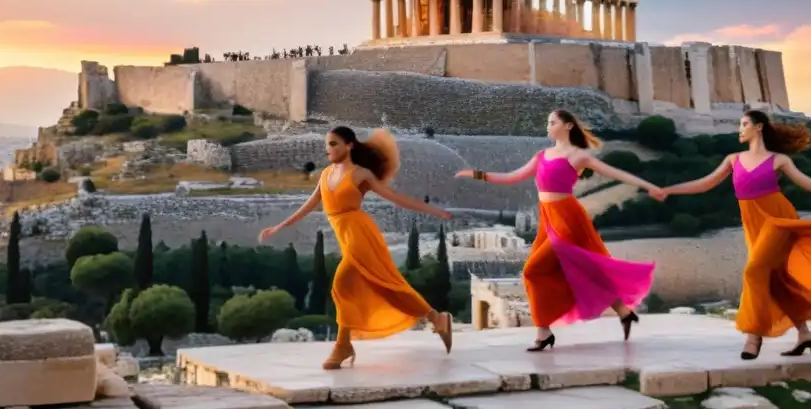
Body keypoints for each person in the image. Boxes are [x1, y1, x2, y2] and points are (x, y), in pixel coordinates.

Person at [656, 110, 811, 360]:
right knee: (777, 282)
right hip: (754, 225)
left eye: (744, 124)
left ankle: (753, 336)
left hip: (779, 222)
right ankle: (805, 335)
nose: (740, 129)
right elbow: (705, 183)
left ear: (759, 127)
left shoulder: (779, 160)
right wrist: (670, 190)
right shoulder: (733, 159)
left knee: (754, 272)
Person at [455, 109, 662, 351]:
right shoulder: (542, 155)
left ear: (568, 126)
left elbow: (618, 174)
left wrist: (650, 187)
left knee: (532, 271)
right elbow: (511, 177)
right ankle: (623, 312)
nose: (548, 127)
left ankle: (543, 331)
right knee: (583, 268)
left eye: (552, 122)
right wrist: (476, 174)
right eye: (548, 122)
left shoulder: (578, 156)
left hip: (567, 219)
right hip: (548, 219)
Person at [259, 126, 455, 370]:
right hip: (346, 238)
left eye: (333, 144)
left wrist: (433, 211)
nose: (328, 149)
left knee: (342, 284)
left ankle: (343, 346)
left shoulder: (361, 174)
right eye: (327, 145)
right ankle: (437, 318)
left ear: (349, 145)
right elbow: (308, 205)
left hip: (361, 236)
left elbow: (395, 197)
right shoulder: (326, 175)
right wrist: (278, 227)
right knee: (390, 289)